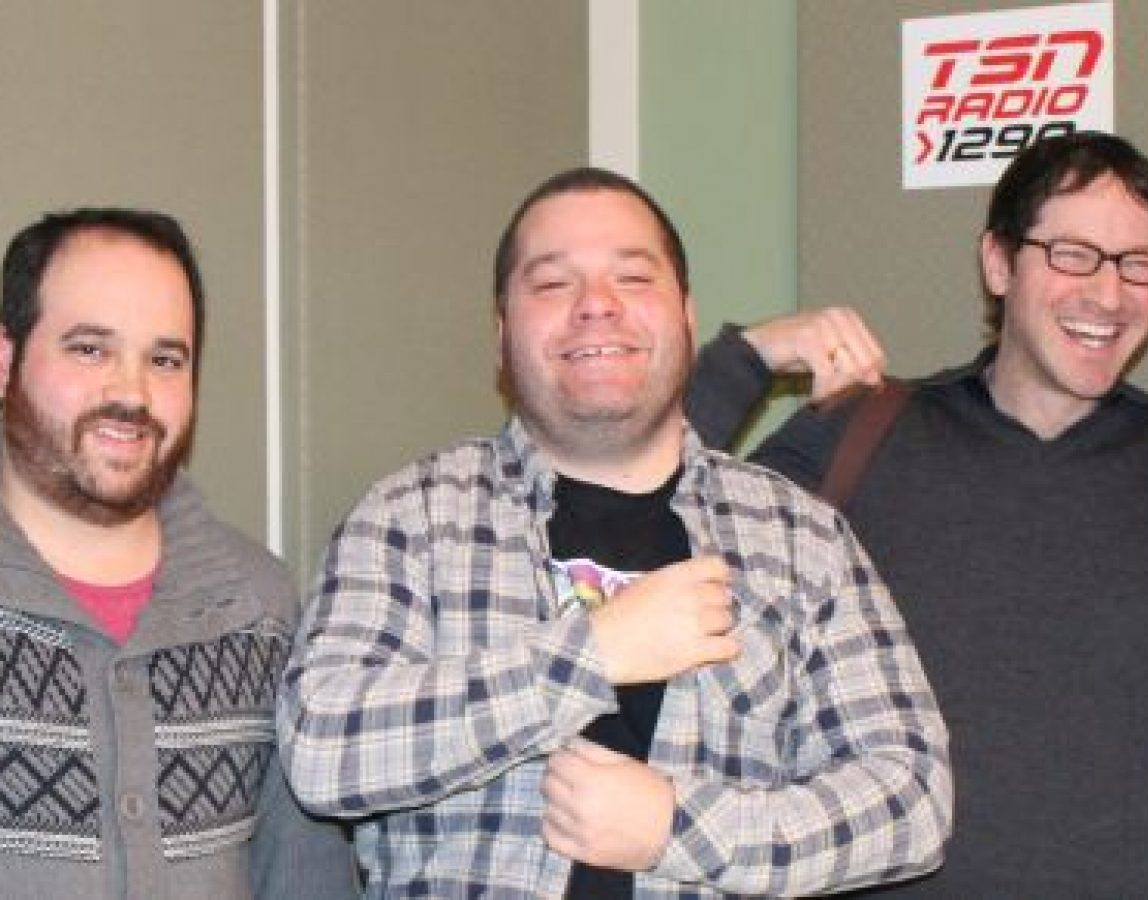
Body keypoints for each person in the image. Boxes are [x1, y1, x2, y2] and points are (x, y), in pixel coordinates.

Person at [277, 167, 951, 898]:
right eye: (552, 283)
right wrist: (592, 655)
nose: (596, 304)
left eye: (632, 278)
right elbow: (322, 751)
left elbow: (911, 800)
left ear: (687, 317)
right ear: (502, 337)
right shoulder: (411, 518)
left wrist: (676, 828)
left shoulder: (800, 539)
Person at [687, 131, 1148, 896]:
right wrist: (747, 360)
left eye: (1140, 264)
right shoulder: (863, 433)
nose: (1109, 293)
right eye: (1073, 254)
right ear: (999, 262)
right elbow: (642, 517)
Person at [0, 208, 358, 899]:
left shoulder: (258, 606)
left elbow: (306, 879)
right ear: (7, 361)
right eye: (90, 349)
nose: (131, 393)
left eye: (165, 360)